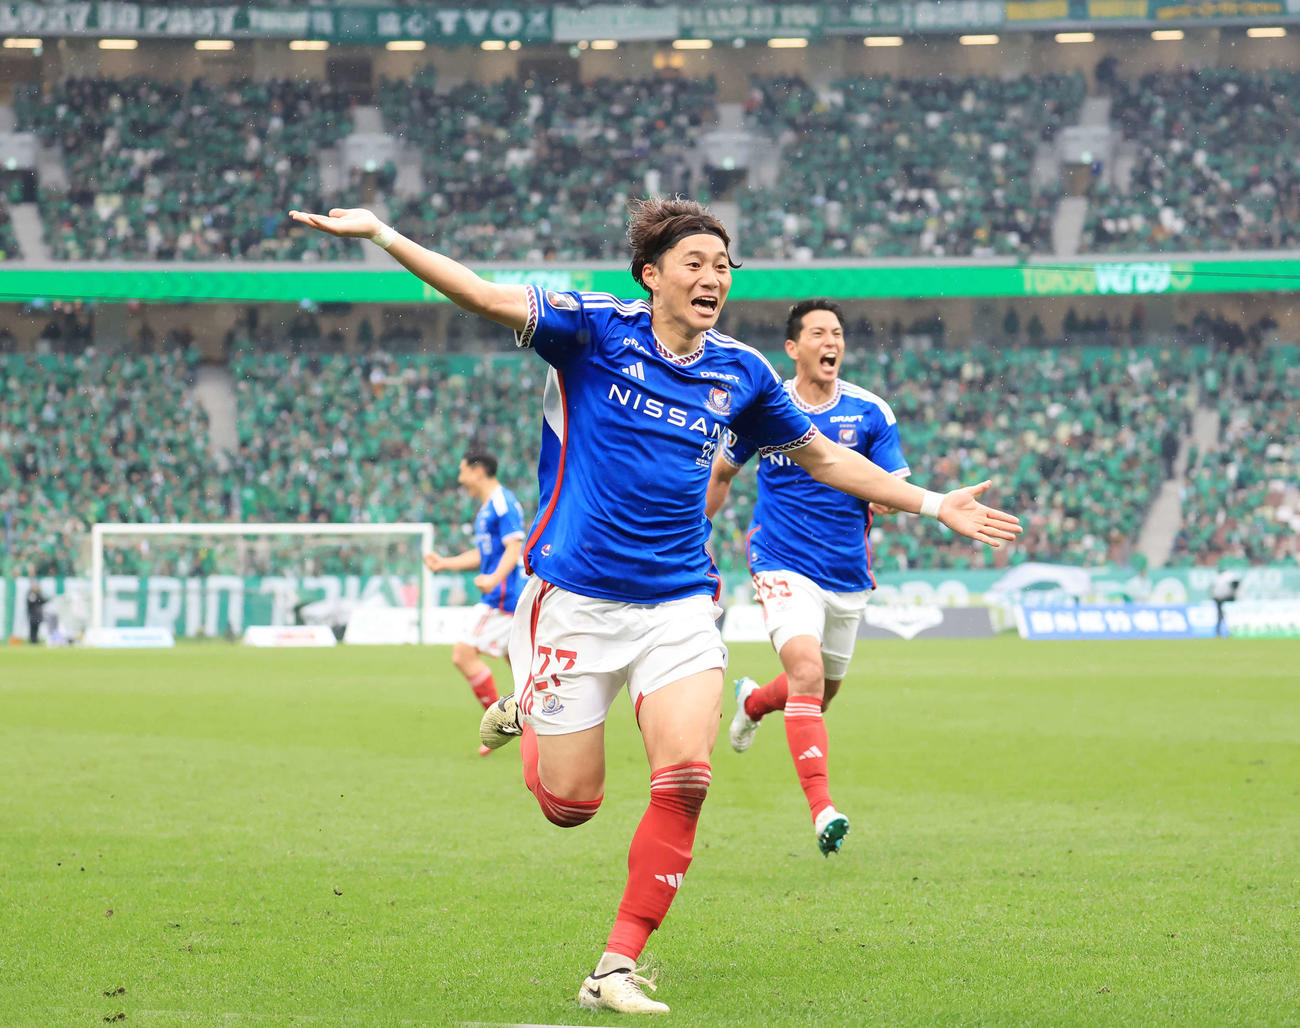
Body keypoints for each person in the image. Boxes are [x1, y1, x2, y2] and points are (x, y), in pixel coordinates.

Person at [289, 197, 1021, 1015]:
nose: (713, 278)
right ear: (651, 275)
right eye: (695, 264)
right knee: (571, 806)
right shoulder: (593, 329)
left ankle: (614, 966)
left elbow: (822, 456)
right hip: (574, 601)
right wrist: (383, 235)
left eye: (723, 266)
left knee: (688, 776)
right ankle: (528, 706)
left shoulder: (742, 371)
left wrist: (933, 503)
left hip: (679, 604)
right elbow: (482, 294)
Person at [705, 298, 908, 856]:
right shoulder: (765, 408)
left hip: (846, 572)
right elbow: (722, 473)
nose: (831, 342)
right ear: (793, 348)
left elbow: (893, 483)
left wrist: (890, 498)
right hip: (781, 561)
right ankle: (823, 812)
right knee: (806, 671)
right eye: (818, 333)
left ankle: (753, 703)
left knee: (820, 693)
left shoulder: (870, 411)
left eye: (837, 333)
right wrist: (694, 533)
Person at [422, 452, 528, 754]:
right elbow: (485, 554)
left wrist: (493, 579)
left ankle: (501, 725)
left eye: (463, 471)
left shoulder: (502, 503)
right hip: (504, 596)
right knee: (523, 670)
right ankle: (538, 726)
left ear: (478, 470)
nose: (460, 479)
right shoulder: (486, 508)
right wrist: (445, 563)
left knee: (463, 654)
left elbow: (514, 548)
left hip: (503, 599)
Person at [1210, 566, 1243, 638]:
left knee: (1220, 616)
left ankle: (1219, 632)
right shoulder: (1230, 575)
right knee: (1228, 616)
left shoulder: (1218, 577)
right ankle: (1230, 632)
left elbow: (1212, 589)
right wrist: (1235, 595)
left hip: (1218, 599)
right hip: (1228, 598)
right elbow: (1236, 584)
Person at [25, 579, 48, 645]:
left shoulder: (38, 594)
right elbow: (31, 602)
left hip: (38, 613)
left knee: (36, 627)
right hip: (33, 613)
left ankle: (35, 639)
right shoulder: (31, 594)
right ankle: (32, 640)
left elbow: (42, 601)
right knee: (33, 627)